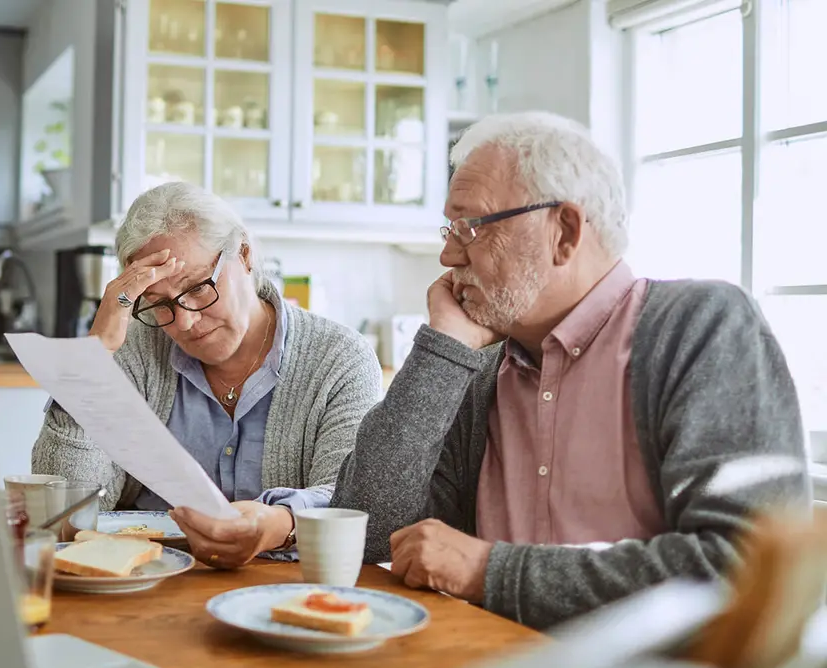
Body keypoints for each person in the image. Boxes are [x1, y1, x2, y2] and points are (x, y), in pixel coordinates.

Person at [330, 111, 810, 630]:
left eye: (471, 227)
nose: (448, 255)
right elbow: (368, 530)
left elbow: (744, 571)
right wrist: (442, 351)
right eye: (450, 227)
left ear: (564, 232)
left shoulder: (701, 328)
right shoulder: (478, 369)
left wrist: (490, 572)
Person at [32, 182, 381, 569]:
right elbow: (64, 516)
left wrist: (279, 523)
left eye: (198, 288)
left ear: (244, 255)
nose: (185, 322)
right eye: (159, 304)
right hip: (142, 583)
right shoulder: (132, 350)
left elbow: (353, 505)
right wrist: (90, 359)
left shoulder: (340, 359)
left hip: (283, 590)